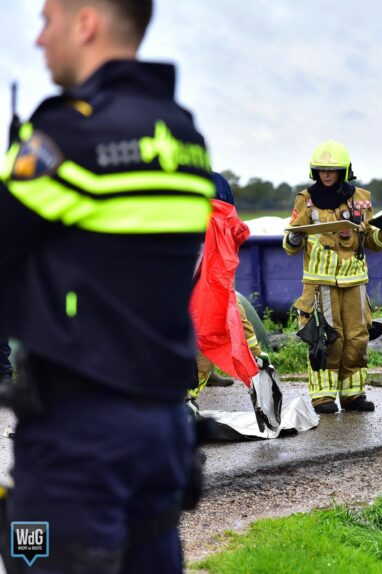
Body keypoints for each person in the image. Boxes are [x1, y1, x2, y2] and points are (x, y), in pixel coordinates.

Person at [0, 1, 213, 572]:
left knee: (36, 556)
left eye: (47, 20)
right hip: (163, 431)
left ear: (86, 22)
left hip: (77, 438)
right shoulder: (187, 137)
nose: (41, 39)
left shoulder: (68, 133)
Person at [284, 140, 382, 414]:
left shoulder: (360, 198)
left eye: (331, 170)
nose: (326, 174)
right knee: (327, 340)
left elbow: (369, 240)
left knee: (357, 339)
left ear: (344, 171)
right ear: (315, 171)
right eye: (321, 169)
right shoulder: (305, 200)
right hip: (319, 284)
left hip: (355, 283)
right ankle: (323, 397)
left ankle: (352, 395)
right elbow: (290, 246)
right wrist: (295, 237)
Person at [189, 172, 264, 401]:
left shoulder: (210, 184)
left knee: (212, 318)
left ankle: (188, 394)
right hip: (202, 265)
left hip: (210, 267)